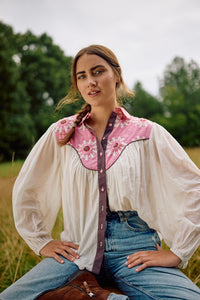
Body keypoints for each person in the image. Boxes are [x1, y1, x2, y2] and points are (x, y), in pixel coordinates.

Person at [1, 44, 200, 300]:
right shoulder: (61, 133)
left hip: (134, 250)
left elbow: (194, 187)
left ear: (116, 75)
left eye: (98, 72)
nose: (90, 82)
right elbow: (27, 187)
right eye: (82, 76)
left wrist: (178, 252)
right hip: (76, 251)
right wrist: (42, 241)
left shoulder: (147, 132)